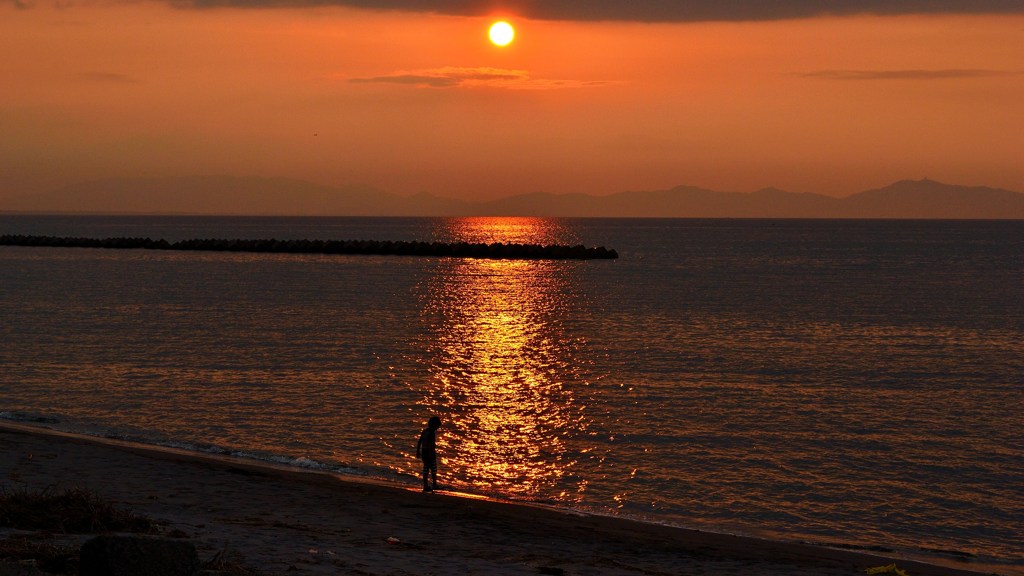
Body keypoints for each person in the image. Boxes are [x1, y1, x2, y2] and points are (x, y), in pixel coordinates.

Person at [416, 416, 441, 492]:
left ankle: (426, 485)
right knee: (433, 469)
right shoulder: (431, 433)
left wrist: (418, 451)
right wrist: (431, 453)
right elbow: (431, 444)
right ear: (434, 425)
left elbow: (420, 441)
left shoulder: (424, 431)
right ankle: (434, 484)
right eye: (437, 426)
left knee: (426, 469)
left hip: (424, 452)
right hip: (430, 452)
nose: (437, 428)